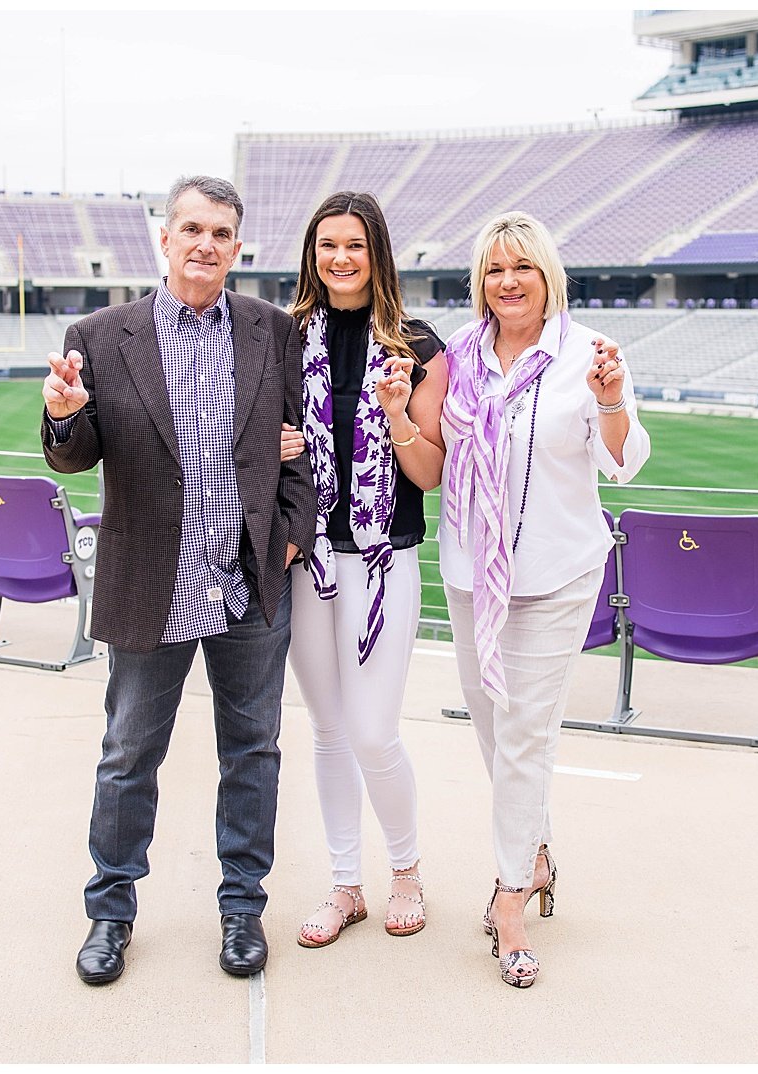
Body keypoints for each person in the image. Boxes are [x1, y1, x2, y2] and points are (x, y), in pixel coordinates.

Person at [40, 175, 316, 986]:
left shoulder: (271, 331)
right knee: (129, 755)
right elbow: (75, 451)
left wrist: (292, 537)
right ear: (164, 238)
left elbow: (299, 446)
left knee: (253, 752)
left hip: (246, 580)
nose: (205, 244)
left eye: (221, 233)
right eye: (191, 228)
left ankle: (241, 910)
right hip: (150, 578)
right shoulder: (100, 333)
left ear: (237, 247)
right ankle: (110, 914)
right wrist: (63, 413)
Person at [437, 211, 651, 989]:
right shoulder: (459, 356)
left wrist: (614, 399)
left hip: (557, 574)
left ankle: (508, 902)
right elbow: (432, 446)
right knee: (494, 730)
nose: (508, 282)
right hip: (472, 572)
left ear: (547, 274)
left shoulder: (585, 355)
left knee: (525, 732)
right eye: (494, 270)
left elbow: (624, 463)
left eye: (522, 267)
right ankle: (536, 851)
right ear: (480, 283)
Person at [274, 191, 448, 948]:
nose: (339, 258)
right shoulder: (286, 339)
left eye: (354, 244)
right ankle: (346, 884)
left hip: (383, 559)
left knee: (375, 732)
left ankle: (404, 871)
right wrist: (278, 448)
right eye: (326, 246)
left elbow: (429, 471)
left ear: (377, 251)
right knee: (328, 729)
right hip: (310, 559)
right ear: (312, 255)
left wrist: (400, 412)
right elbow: (264, 442)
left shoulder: (417, 344)